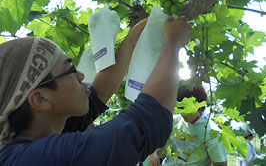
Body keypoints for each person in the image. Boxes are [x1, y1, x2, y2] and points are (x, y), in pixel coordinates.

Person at [0, 16, 190, 165]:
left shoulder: (37, 134)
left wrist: (132, 40)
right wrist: (172, 44)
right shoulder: (35, 160)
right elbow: (143, 126)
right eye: (71, 70)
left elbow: (97, 93)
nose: (82, 76)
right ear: (40, 99)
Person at [148, 84, 228, 166]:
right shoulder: (174, 121)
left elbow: (220, 163)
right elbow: (160, 148)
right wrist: (153, 153)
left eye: (186, 109)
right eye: (180, 108)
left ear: (200, 106)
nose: (183, 113)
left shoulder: (213, 133)